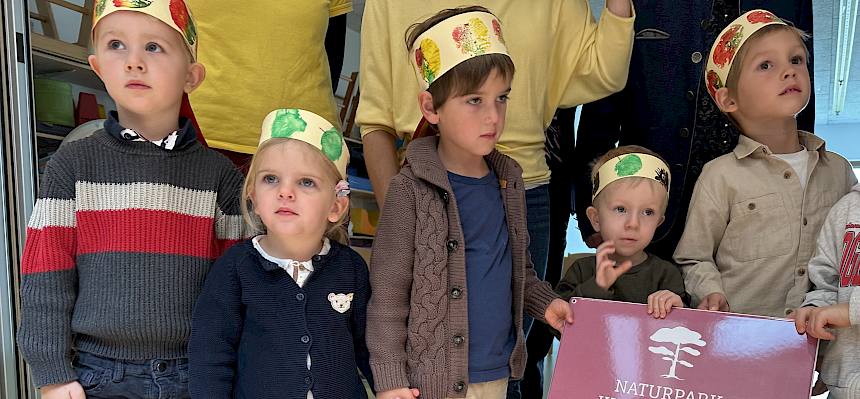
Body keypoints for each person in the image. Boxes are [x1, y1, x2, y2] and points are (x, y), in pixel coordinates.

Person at [16, 1, 248, 397]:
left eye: (154, 47)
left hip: (197, 373)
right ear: (97, 66)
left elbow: (237, 289)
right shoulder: (72, 165)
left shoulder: (220, 176)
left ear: (192, 76)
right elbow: (45, 276)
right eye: (116, 45)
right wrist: (52, 372)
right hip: (98, 376)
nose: (134, 62)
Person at [366, 7, 573, 399]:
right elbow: (388, 297)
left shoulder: (508, 182)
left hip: (495, 377)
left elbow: (518, 270)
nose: (493, 116)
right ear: (431, 108)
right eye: (474, 100)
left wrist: (545, 304)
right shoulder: (408, 190)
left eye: (501, 98)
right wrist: (391, 380)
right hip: (429, 386)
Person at [674, 9, 856, 318]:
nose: (789, 71)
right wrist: (710, 291)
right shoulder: (720, 176)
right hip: (742, 344)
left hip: (823, 349)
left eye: (796, 60)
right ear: (728, 100)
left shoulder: (839, 171)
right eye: (766, 65)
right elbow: (694, 257)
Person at [189, 109, 373, 398]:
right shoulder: (235, 268)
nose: (285, 192)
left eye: (306, 182)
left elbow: (369, 347)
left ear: (336, 206)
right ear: (253, 196)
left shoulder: (351, 269)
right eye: (271, 179)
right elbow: (211, 352)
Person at [557, 146, 687, 318]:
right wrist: (597, 287)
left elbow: (683, 333)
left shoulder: (667, 275)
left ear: (658, 222)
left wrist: (679, 309)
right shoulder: (581, 271)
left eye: (648, 212)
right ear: (595, 219)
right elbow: (561, 326)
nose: (633, 224)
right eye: (620, 209)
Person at [792, 183, 860, 398]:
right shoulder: (847, 207)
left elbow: (847, 309)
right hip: (844, 389)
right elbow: (826, 281)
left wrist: (851, 311)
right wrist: (816, 308)